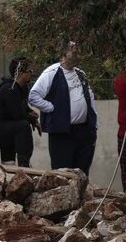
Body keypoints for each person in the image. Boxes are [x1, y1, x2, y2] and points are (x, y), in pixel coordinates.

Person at [28, 40, 98, 175]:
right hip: (62, 133)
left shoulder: (81, 73)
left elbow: (90, 98)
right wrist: (52, 108)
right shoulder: (51, 72)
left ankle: (81, 196)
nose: (77, 54)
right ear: (64, 53)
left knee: (82, 173)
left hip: (84, 132)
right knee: (62, 173)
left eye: (78, 51)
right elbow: (33, 96)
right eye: (74, 51)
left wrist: (94, 124)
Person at [0, 57, 41, 167]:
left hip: (7, 126)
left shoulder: (22, 88)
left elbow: (23, 108)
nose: (32, 74)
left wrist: (32, 115)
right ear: (21, 73)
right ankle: (24, 166)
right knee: (23, 126)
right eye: (30, 71)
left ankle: (9, 168)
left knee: (18, 129)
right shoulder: (9, 89)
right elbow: (18, 114)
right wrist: (32, 119)